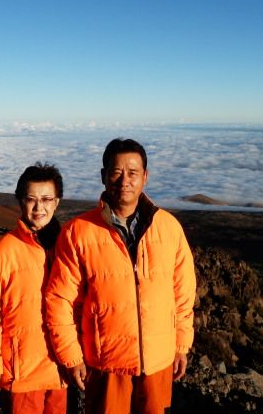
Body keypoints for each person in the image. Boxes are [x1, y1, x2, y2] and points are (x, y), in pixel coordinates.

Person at [45, 139, 196, 413]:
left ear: (145, 176)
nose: (124, 180)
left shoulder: (169, 228)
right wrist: (71, 356)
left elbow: (183, 294)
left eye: (133, 172)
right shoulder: (78, 232)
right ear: (104, 176)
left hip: (158, 361)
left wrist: (181, 345)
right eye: (116, 172)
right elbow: (60, 300)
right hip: (106, 364)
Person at [0, 163, 68, 414]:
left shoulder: (70, 247)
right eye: (31, 199)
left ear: (57, 202)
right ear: (21, 201)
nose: (39, 207)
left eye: (46, 199)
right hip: (23, 373)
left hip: (64, 369)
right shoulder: (1, 253)